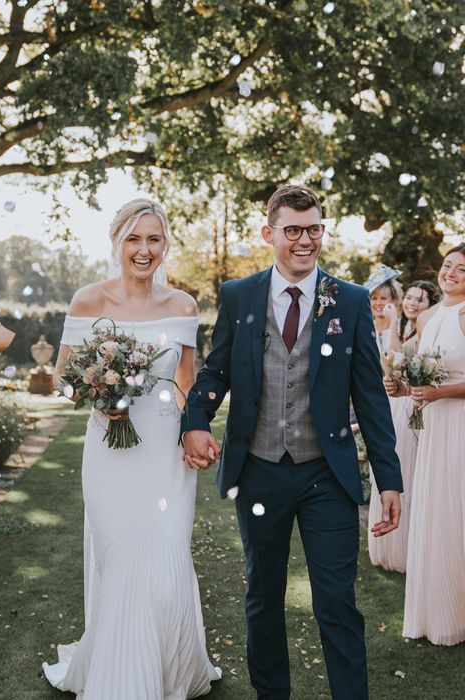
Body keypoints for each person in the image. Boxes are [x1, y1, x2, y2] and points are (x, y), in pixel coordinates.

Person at [182, 184, 402, 700]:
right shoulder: (239, 295)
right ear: (269, 233)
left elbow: (370, 395)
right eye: (293, 230)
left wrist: (389, 478)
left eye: (314, 229)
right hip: (258, 471)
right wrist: (194, 420)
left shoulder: (347, 299)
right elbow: (216, 372)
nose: (306, 240)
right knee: (263, 596)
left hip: (327, 474)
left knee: (336, 602)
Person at [43, 199, 222, 699]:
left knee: (166, 568)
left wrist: (193, 431)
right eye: (134, 240)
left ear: (165, 245)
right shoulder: (87, 301)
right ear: (117, 243)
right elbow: (61, 381)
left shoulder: (183, 306)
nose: (144, 250)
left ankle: (170, 670)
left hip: (164, 454)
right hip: (110, 452)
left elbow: (186, 383)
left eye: (154, 240)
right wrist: (98, 396)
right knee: (120, 563)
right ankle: (120, 677)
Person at [396, 244, 465, 645]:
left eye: (461, 269)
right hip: (433, 427)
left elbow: (442, 384)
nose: (450, 273)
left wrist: (441, 394)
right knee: (436, 510)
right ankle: (434, 612)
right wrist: (401, 386)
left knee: (457, 511)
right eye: (447, 266)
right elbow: (418, 378)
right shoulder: (426, 317)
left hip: (459, 424)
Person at [370, 280, 437, 573]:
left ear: (429, 305)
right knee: (390, 469)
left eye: (419, 300)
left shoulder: (425, 330)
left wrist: (395, 321)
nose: (412, 303)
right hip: (395, 406)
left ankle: (408, 547)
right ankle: (388, 545)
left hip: (413, 406)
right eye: (408, 297)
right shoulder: (402, 330)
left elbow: (395, 363)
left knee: (408, 473)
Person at [364, 264, 403, 354]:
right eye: (374, 298)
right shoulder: (366, 328)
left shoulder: (402, 326)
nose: (378, 303)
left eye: (383, 298)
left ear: (394, 300)